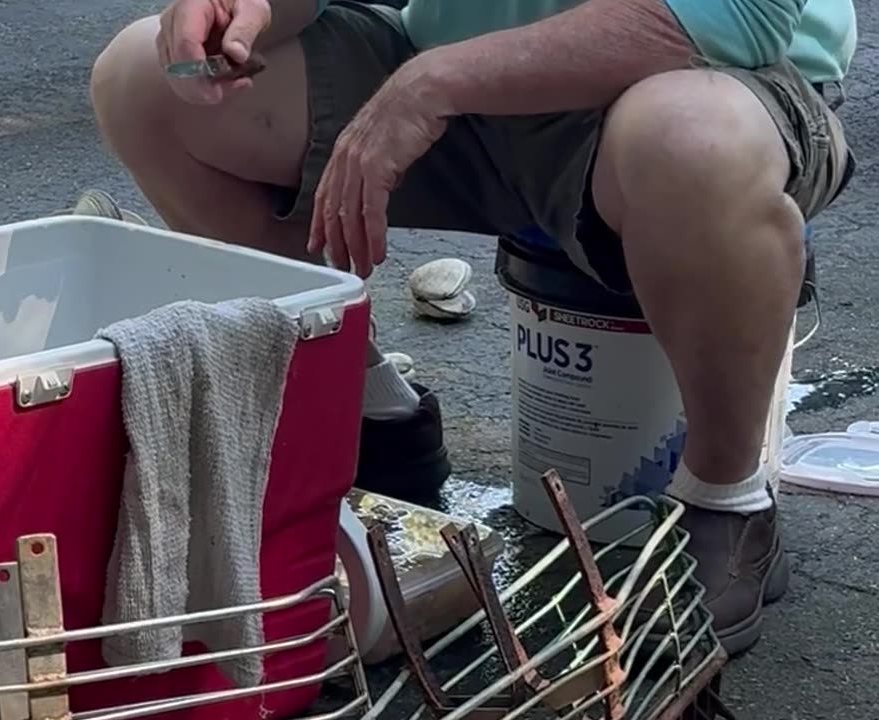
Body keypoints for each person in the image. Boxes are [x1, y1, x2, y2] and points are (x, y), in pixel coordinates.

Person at [88, 0, 857, 655]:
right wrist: (245, 9)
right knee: (147, 82)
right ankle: (361, 409)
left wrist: (433, 85)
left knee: (695, 140)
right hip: (462, 83)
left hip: (698, 81)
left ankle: (727, 502)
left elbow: (731, 19)